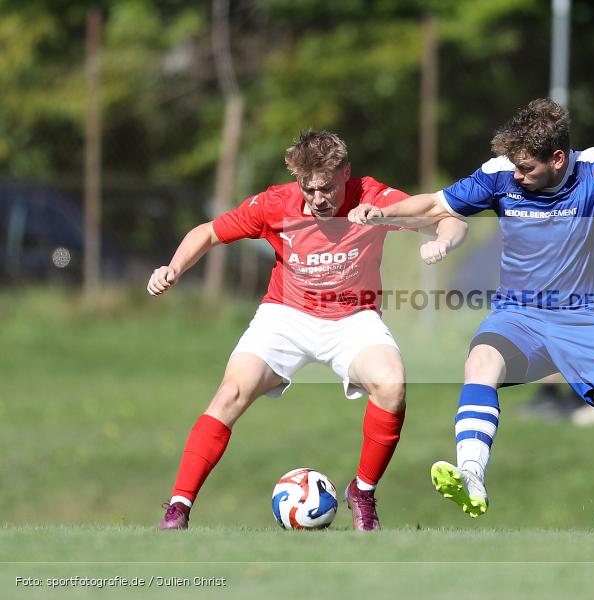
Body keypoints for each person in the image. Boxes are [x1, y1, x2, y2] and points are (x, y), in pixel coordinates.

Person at [349, 99, 594, 535]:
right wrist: (381, 214)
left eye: (527, 168)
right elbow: (434, 205)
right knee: (481, 362)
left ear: (557, 158)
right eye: (515, 167)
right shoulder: (501, 173)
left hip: (588, 323)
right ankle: (471, 473)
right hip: (520, 315)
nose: (518, 175)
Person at [148, 129, 467, 531]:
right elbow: (208, 232)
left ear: (346, 173)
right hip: (286, 316)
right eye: (309, 189)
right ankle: (178, 508)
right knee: (231, 393)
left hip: (353, 319)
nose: (318, 199)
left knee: (391, 385)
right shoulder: (274, 204)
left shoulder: (372, 199)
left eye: (327, 188)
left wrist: (443, 243)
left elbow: (450, 219)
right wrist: (173, 268)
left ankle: (363, 492)